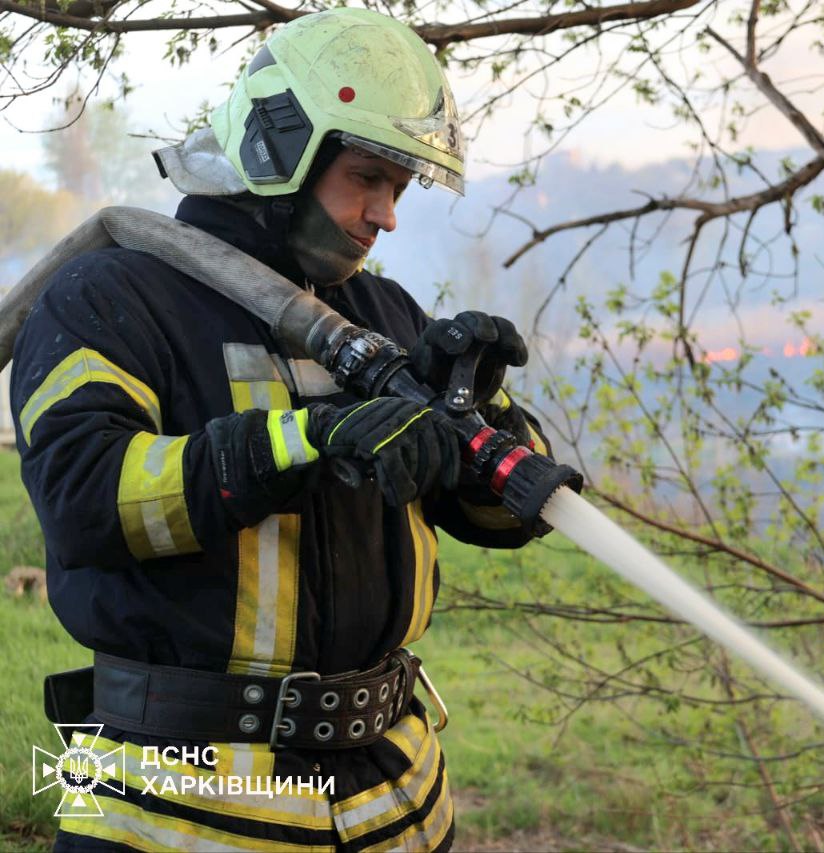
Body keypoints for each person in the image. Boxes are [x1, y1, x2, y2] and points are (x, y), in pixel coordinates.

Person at [12, 8, 550, 851]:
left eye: (400, 189)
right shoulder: (111, 298)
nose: (386, 216)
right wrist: (308, 440)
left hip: (397, 800)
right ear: (280, 147)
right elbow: (87, 501)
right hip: (181, 809)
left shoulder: (384, 316)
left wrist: (481, 413)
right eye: (368, 176)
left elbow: (514, 517)